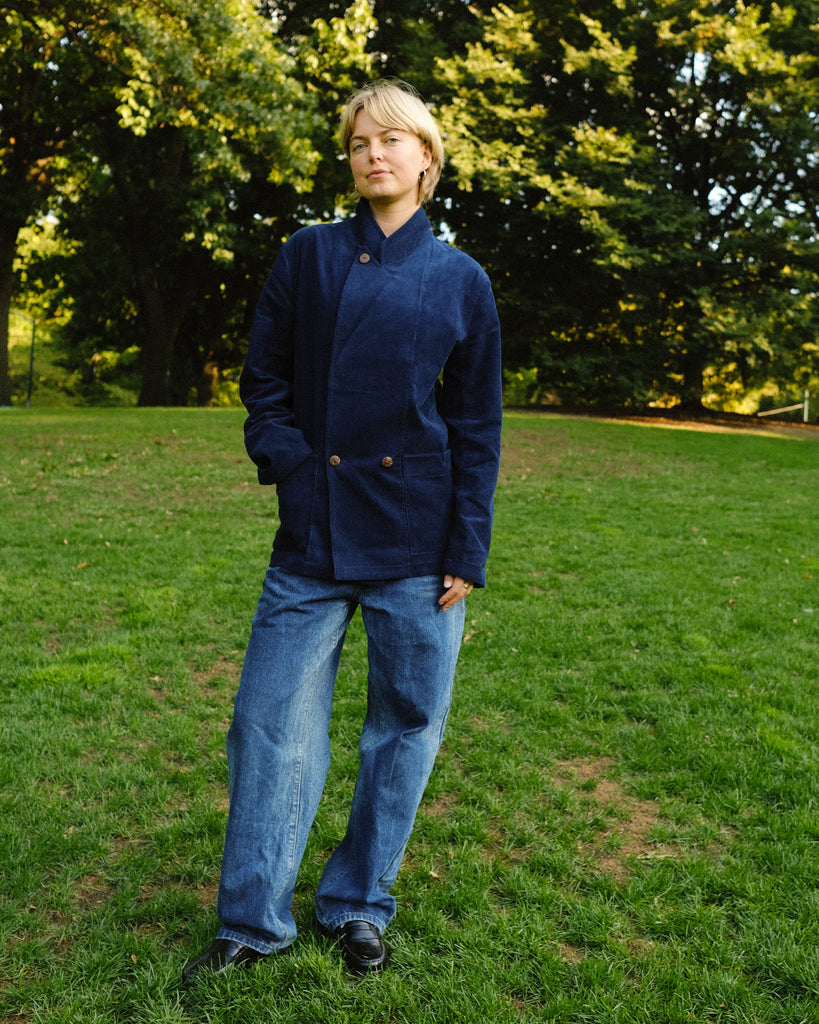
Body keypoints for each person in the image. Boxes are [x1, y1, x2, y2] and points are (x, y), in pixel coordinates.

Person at [182, 78, 502, 981]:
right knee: (266, 725)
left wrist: (465, 550)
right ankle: (250, 922)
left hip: (418, 539)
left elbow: (476, 428)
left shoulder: (461, 280)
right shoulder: (309, 257)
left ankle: (359, 902)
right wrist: (290, 469)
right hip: (313, 537)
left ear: (426, 160)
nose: (374, 154)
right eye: (361, 141)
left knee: (404, 728)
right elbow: (265, 382)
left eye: (393, 141)